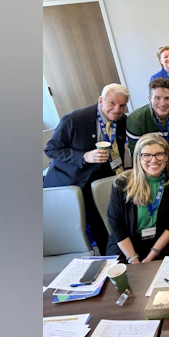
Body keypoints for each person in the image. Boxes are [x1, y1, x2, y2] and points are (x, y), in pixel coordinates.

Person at [44, 83, 130, 253]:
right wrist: (84, 156)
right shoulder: (74, 120)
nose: (117, 109)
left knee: (104, 221)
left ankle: (108, 256)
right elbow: (51, 149)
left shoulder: (122, 120)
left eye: (122, 105)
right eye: (112, 103)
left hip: (100, 178)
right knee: (81, 225)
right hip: (72, 179)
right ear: (100, 100)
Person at [105, 134, 169, 263]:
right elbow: (116, 224)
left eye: (159, 154)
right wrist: (133, 258)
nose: (153, 160)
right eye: (146, 155)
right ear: (138, 158)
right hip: (127, 242)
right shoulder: (122, 183)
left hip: (161, 240)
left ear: (167, 156)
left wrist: (152, 255)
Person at [126, 78, 169, 163]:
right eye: (157, 98)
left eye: (167, 98)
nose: (162, 103)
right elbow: (136, 155)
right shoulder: (136, 119)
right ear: (149, 99)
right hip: (147, 162)